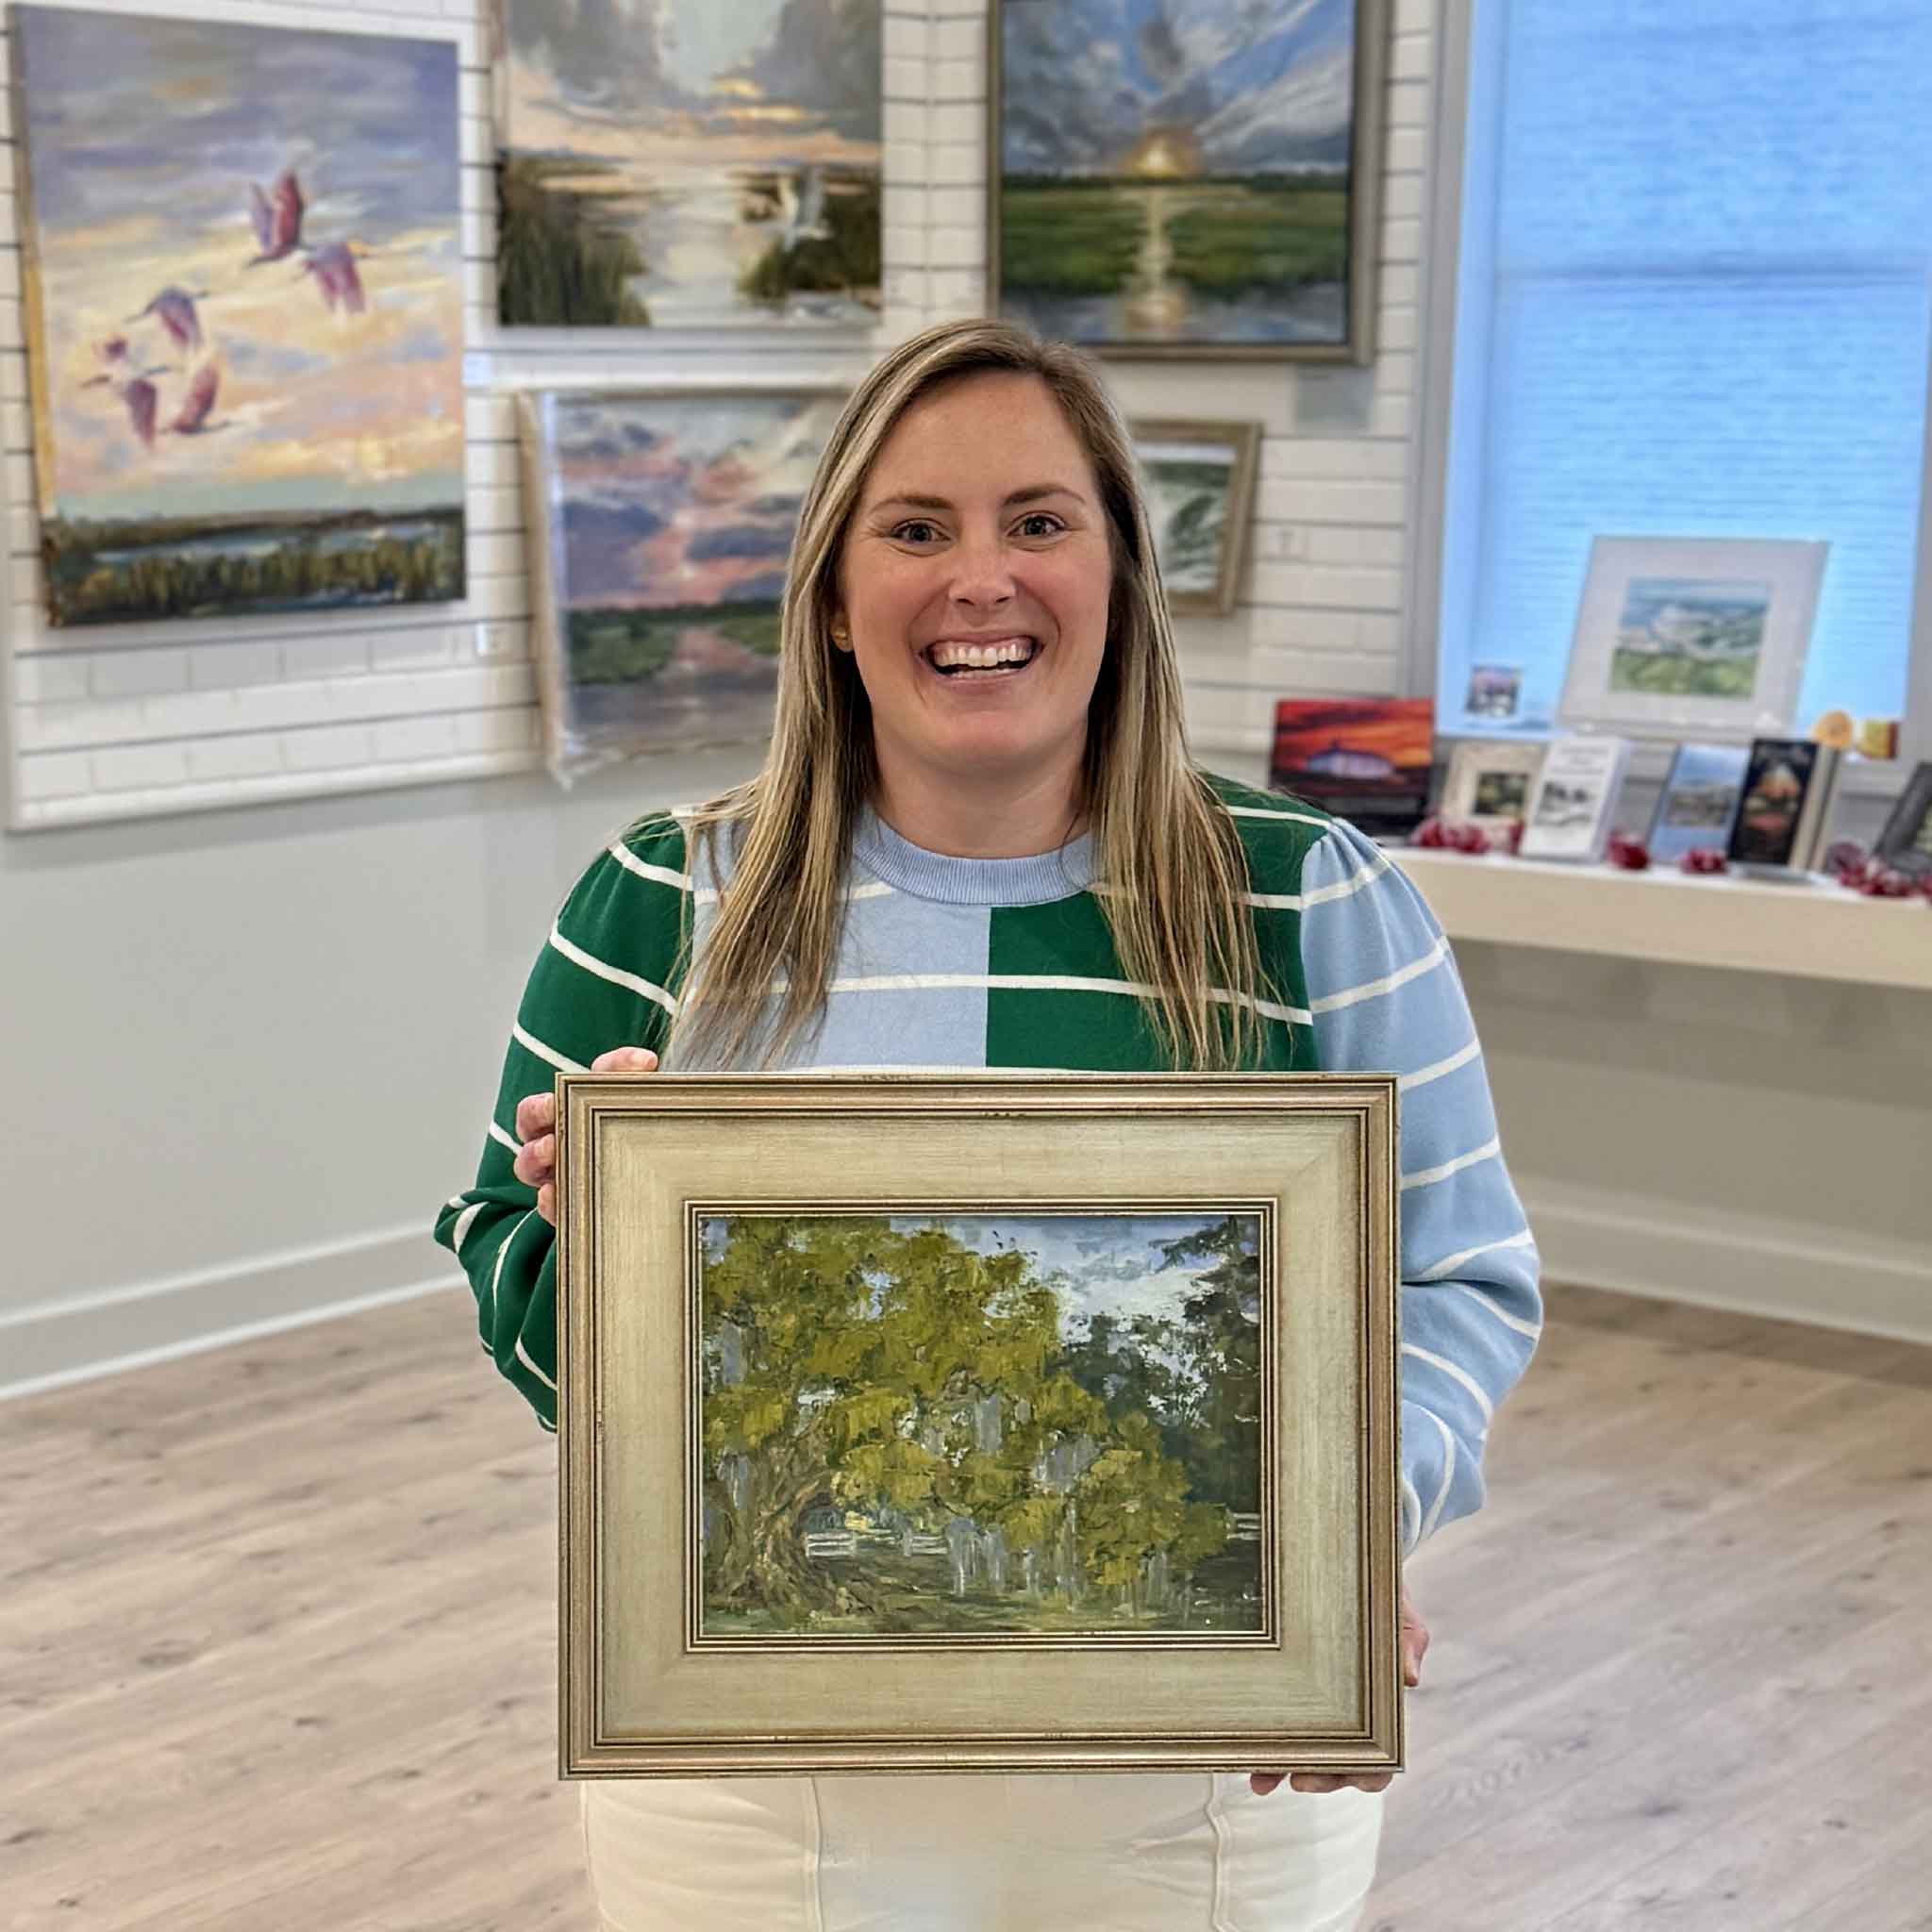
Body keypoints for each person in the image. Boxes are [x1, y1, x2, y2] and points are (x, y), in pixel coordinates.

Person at [433, 317, 1541, 1932]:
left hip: (1198, 1772)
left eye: (1039, 521)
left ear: (1121, 574)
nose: (981, 581)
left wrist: (1348, 1524)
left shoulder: (1311, 899)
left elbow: (1459, 1286)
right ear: (830, 592)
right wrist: (595, 1242)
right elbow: (508, 1286)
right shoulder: (665, 901)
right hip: (755, 1774)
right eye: (915, 529)